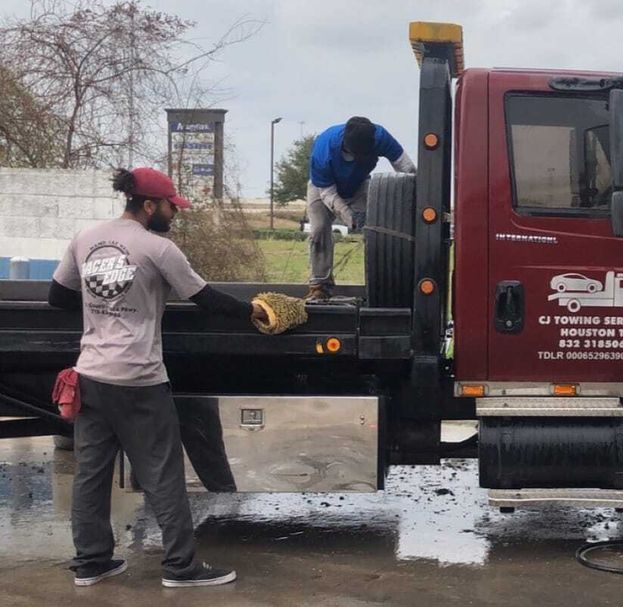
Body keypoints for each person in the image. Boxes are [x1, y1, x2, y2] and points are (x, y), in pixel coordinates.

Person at [48, 167, 269, 588]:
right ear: (149, 205)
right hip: (139, 380)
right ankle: (181, 567)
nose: (175, 213)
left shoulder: (87, 238)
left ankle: (92, 562)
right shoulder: (158, 248)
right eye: (171, 206)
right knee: (163, 475)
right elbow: (206, 300)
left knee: (91, 473)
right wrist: (254, 312)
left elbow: (56, 296)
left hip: (91, 374)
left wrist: (101, 296)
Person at [306, 116, 416, 301]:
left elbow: (406, 168)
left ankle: (384, 283)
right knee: (318, 229)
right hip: (324, 188)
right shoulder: (323, 152)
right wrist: (349, 216)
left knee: (379, 229)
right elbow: (328, 193)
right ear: (347, 147)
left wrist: (419, 196)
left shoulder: (380, 136)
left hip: (359, 184)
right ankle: (320, 285)